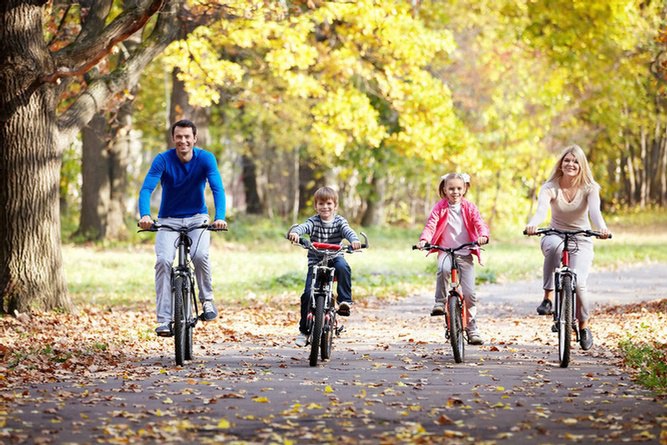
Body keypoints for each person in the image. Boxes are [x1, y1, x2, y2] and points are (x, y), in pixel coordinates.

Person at [137, 119, 228, 336]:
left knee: (200, 256)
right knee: (163, 261)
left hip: (197, 218)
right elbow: (146, 189)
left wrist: (220, 217)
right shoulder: (163, 160)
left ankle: (207, 302)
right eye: (179, 136)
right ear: (173, 138)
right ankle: (164, 319)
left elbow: (218, 189)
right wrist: (146, 215)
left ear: (195, 139)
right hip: (168, 220)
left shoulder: (206, 158)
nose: (183, 141)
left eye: (187, 137)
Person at [525, 144, 611, 350]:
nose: (570, 164)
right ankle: (548, 297)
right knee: (554, 247)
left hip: (581, 238)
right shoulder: (550, 187)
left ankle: (583, 326)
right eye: (567, 160)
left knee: (579, 281)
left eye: (575, 161)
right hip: (554, 233)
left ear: (582, 166)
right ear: (561, 164)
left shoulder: (591, 188)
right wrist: (533, 224)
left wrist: (602, 228)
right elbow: (541, 210)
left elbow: (595, 213)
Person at [417, 172, 490, 345]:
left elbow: (480, 223)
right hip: (445, 251)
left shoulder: (469, 207)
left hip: (465, 253)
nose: (455, 192)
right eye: (451, 188)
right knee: (442, 269)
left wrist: (483, 235)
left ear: (464, 188)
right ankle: (440, 303)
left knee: (470, 294)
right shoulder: (440, 207)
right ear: (444, 189)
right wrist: (424, 240)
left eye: (459, 188)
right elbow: (431, 225)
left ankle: (472, 328)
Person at [288, 186, 362, 347]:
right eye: (321, 204)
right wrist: (296, 233)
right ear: (316, 206)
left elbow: (348, 231)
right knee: (308, 295)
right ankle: (304, 331)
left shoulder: (339, 221)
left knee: (343, 266)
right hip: (316, 261)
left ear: (335, 206)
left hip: (335, 257)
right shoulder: (313, 221)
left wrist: (354, 241)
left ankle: (345, 301)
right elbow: (303, 227)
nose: (325, 207)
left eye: (329, 203)